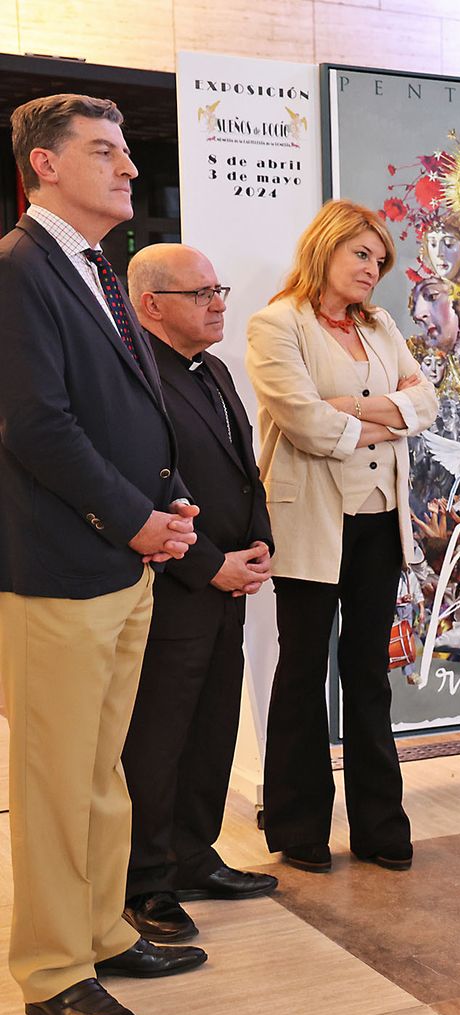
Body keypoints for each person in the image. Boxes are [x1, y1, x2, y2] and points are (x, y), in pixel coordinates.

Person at [0, 93, 206, 1015]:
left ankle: (99, 926)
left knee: (97, 767)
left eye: (128, 152)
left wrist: (161, 509)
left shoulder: (97, 267)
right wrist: (133, 520)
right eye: (105, 152)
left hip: (120, 557)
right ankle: (49, 967)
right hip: (59, 567)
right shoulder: (20, 268)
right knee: (51, 775)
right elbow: (36, 424)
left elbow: (121, 405)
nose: (129, 167)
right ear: (44, 165)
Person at [246, 199, 440, 874]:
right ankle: (299, 826)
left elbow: (427, 401)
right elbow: (302, 422)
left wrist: (358, 410)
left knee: (368, 677)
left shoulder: (381, 325)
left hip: (379, 523)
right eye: (362, 254)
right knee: (301, 673)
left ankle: (379, 825)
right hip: (308, 524)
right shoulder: (277, 324)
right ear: (326, 249)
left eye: (379, 260)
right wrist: (386, 416)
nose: (372, 269)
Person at [119, 244, 279, 946]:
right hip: (175, 584)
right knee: (158, 739)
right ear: (152, 305)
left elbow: (241, 466)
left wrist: (259, 536)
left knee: (213, 725)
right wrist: (210, 562)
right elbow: (147, 486)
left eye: (219, 288)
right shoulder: (132, 376)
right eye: (201, 292)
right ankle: (146, 881)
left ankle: (193, 854)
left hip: (227, 581)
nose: (219, 302)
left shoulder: (212, 368)